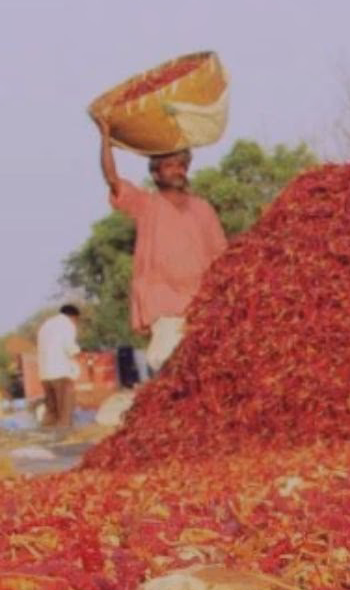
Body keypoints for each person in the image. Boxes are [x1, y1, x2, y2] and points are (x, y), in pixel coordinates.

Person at [94, 116, 227, 373]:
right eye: (170, 166)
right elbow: (112, 179)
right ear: (156, 173)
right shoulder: (146, 205)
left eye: (181, 165)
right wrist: (106, 140)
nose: (178, 170)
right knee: (169, 365)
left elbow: (221, 254)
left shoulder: (203, 208)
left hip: (202, 304)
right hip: (164, 303)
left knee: (206, 370)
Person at [36, 305, 82, 429]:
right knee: (65, 410)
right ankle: (65, 438)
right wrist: (79, 355)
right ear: (73, 317)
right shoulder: (67, 325)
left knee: (51, 410)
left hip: (45, 374)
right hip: (61, 372)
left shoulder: (46, 325)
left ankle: (46, 437)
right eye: (76, 320)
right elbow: (69, 347)